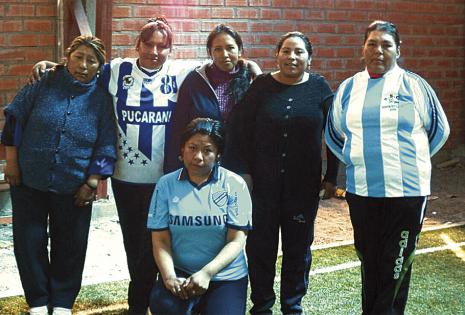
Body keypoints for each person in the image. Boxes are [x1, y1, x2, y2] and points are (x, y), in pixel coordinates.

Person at [31, 17, 261, 315]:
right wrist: (54, 65)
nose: (154, 51)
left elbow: (222, 63)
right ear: (137, 44)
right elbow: (83, 69)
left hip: (165, 178)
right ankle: (140, 302)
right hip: (126, 178)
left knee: (167, 239)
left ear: (171, 50)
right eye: (148, 44)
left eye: (162, 46)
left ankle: (169, 294)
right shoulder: (116, 70)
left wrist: (250, 65)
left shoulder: (182, 72)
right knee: (135, 246)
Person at [325, 20, 450, 314]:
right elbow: (333, 134)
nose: (378, 50)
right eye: (372, 44)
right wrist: (361, 160)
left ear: (398, 49)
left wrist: (410, 161)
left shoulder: (414, 85)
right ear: (363, 48)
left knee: (396, 263)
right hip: (362, 191)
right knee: (369, 261)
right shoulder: (348, 88)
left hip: (407, 192)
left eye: (386, 45)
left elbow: (439, 131)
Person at [223, 31, 339, 314]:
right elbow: (237, 133)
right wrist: (244, 173)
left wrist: (331, 177)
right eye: (286, 51)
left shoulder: (320, 89)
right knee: (261, 248)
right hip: (262, 187)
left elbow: (336, 136)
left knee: (298, 250)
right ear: (277, 54)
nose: (292, 57)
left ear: (309, 59)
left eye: (299, 52)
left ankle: (292, 305)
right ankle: (262, 306)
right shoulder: (261, 87)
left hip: (303, 189)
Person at [1, 35, 117, 315]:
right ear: (67, 57)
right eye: (78, 57)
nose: (84, 65)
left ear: (99, 67)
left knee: (71, 245)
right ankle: (39, 301)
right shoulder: (43, 82)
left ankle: (63, 302)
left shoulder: (101, 99)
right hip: (29, 180)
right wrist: (11, 163)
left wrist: (92, 182)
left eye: (92, 61)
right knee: (29, 242)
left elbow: (106, 143)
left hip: (74, 185)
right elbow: (15, 119)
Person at [147, 118, 252, 315]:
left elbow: (236, 240)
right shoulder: (166, 185)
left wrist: (206, 273)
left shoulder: (235, 184)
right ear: (182, 149)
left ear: (218, 154)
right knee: (164, 308)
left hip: (224, 277)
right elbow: (160, 240)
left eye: (207, 150)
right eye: (192, 147)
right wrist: (169, 277)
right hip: (180, 275)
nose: (198, 157)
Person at [164, 24, 260, 173]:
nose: (225, 54)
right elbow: (178, 126)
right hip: (200, 164)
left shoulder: (251, 80)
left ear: (240, 50)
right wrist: (173, 167)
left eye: (230, 48)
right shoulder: (194, 81)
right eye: (218, 49)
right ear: (210, 52)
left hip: (239, 164)